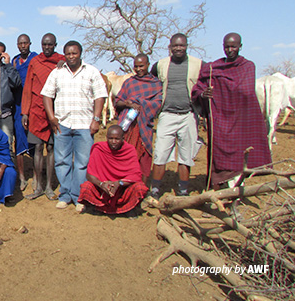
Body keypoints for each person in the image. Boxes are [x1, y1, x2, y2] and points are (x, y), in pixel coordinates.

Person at [192, 33, 271, 189]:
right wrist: (203, 94)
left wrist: (223, 93)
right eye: (226, 46)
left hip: (241, 118)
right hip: (220, 118)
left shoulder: (247, 66)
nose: (229, 50)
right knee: (218, 153)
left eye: (233, 46)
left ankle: (235, 189)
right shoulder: (212, 68)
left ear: (240, 46)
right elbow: (198, 88)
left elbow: (245, 91)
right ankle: (217, 189)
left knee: (240, 152)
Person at [42, 40, 107, 212]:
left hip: (85, 124)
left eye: (74, 53)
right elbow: (47, 95)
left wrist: (97, 119)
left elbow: (100, 96)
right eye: (68, 54)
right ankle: (65, 195)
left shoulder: (91, 71)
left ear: (80, 53)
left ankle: (79, 196)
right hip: (62, 123)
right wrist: (51, 117)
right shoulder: (57, 73)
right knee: (62, 160)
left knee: (82, 162)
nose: (71, 56)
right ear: (65, 55)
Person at [149, 34, 203, 199]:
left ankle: (183, 191)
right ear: (170, 47)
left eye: (182, 45)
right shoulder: (161, 65)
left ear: (187, 46)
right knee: (160, 153)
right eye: (175, 46)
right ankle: (155, 190)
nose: (179, 48)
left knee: (186, 155)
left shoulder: (198, 65)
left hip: (189, 115)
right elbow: (152, 82)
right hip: (167, 114)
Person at [21, 33, 65, 200]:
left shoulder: (61, 61)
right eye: (44, 45)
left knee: (52, 148)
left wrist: (64, 65)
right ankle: (38, 186)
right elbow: (28, 87)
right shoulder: (35, 61)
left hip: (54, 112)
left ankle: (49, 187)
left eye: (50, 45)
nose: (47, 48)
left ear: (55, 45)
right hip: (37, 111)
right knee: (38, 148)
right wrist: (25, 112)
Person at [78, 125, 149, 215]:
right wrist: (102, 184)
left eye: (117, 139)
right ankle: (97, 207)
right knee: (86, 187)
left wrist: (119, 183)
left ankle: (129, 209)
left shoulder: (129, 150)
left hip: (122, 190)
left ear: (123, 138)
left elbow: (135, 175)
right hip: (103, 188)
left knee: (140, 188)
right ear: (106, 137)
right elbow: (89, 174)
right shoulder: (99, 149)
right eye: (110, 138)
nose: (113, 142)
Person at [114, 54, 162, 183]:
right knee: (126, 156)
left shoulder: (156, 84)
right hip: (128, 126)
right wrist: (127, 103)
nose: (139, 69)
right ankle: (125, 186)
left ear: (148, 65)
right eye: (136, 66)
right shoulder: (129, 82)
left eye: (141, 66)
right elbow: (118, 101)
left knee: (144, 156)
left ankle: (141, 188)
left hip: (144, 126)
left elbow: (157, 103)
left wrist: (140, 103)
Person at [11, 34, 38, 191]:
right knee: (19, 140)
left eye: (25, 43)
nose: (22, 46)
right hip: (18, 105)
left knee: (35, 141)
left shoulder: (36, 58)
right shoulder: (15, 61)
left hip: (34, 105)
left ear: (30, 44)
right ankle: (21, 177)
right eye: (20, 43)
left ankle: (35, 176)